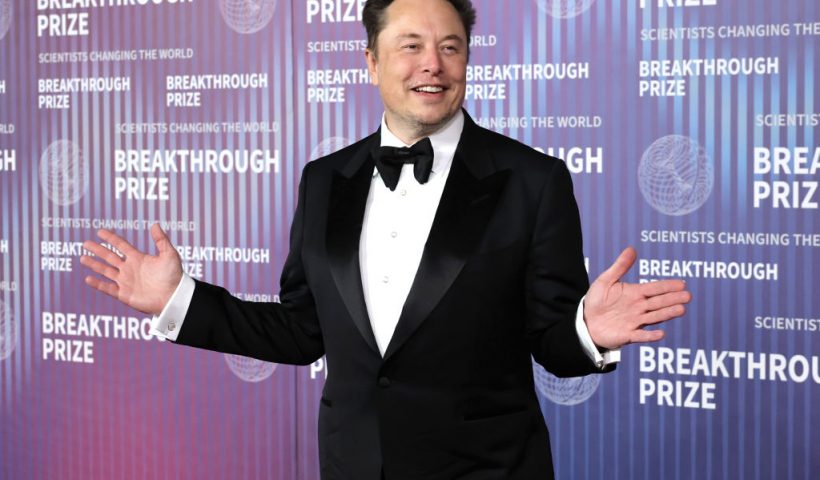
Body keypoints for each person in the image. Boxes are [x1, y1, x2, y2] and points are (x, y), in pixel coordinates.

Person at [81, 0, 691, 478]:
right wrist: (179, 300)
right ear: (371, 60)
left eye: (451, 47)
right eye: (412, 46)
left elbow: (552, 339)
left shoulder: (533, 181)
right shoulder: (324, 180)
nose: (433, 64)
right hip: (354, 466)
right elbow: (302, 330)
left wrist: (587, 330)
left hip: (488, 470)